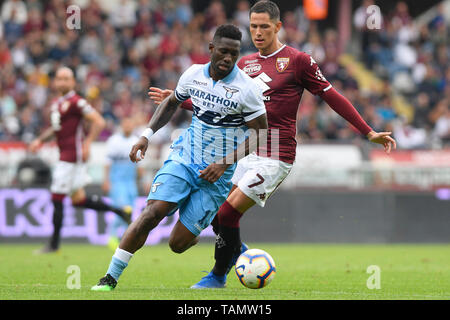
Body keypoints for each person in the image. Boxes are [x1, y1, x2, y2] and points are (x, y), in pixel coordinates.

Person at [149, 0, 397, 289]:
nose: (258, 32)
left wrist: (367, 132)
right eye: (253, 26)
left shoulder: (298, 61)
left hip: (276, 154)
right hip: (245, 151)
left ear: (278, 27)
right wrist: (182, 101)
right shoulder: (243, 64)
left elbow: (332, 96)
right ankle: (240, 254)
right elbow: (220, 105)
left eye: (264, 26)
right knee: (218, 215)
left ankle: (217, 276)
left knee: (228, 213)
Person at [90, 24, 268, 291]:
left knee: (177, 245)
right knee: (152, 213)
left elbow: (261, 134)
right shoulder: (193, 74)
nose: (228, 58)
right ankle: (110, 278)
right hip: (185, 158)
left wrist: (224, 163)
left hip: (217, 176)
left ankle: (196, 233)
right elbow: (172, 102)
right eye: (222, 51)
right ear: (211, 49)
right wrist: (146, 135)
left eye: (234, 53)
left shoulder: (248, 90)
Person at [29, 67, 132, 254]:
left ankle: (53, 245)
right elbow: (56, 129)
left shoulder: (77, 102)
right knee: (78, 200)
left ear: (73, 82)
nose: (61, 82)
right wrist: (39, 140)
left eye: (66, 79)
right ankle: (120, 212)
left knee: (56, 196)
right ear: (55, 82)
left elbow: (99, 121)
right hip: (67, 156)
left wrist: (87, 143)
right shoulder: (58, 103)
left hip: (71, 156)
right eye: (59, 79)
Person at [103, 117, 144, 251]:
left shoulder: (136, 141)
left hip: (130, 182)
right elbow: (107, 162)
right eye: (125, 124)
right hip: (117, 181)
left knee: (130, 211)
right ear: (121, 125)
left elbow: (140, 164)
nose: (127, 126)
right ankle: (112, 237)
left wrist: (142, 179)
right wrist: (106, 180)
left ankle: (126, 239)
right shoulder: (114, 141)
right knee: (122, 209)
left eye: (129, 124)